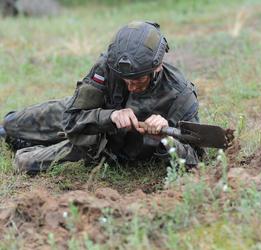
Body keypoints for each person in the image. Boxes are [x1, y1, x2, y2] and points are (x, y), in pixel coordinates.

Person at [0, 21, 201, 174]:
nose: (130, 85)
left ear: (157, 67)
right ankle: (13, 135)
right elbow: (72, 119)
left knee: (25, 162)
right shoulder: (108, 66)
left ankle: (26, 144)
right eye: (125, 79)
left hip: (99, 146)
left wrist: (166, 138)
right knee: (10, 124)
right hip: (91, 119)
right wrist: (111, 116)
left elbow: (195, 158)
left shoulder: (181, 95)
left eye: (138, 79)